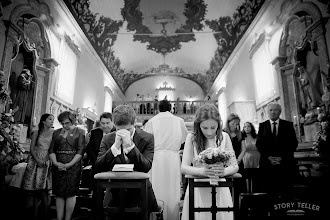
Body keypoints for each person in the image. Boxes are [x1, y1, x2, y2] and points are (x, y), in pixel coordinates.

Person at [95, 105, 158, 219]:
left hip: (140, 193)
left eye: (128, 130)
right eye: (119, 130)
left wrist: (130, 147)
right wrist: (114, 148)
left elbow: (146, 167)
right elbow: (99, 166)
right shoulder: (108, 138)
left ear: (134, 123)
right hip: (114, 192)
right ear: (114, 125)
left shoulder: (147, 138)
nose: (123, 133)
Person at [181, 103, 239, 220]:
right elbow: (184, 167)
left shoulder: (224, 137)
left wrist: (223, 171)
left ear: (219, 124)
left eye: (213, 127)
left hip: (220, 186)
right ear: (198, 125)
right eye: (205, 128)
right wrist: (202, 171)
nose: (209, 132)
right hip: (197, 187)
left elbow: (235, 165)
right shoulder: (192, 138)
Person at [144, 99, 188, 220]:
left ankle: (157, 216)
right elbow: (184, 138)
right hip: (173, 158)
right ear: (171, 108)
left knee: (157, 186)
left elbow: (146, 140)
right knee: (173, 188)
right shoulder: (179, 121)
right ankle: (173, 216)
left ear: (159, 108)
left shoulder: (152, 121)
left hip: (157, 158)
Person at [256, 102, 298, 200]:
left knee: (285, 194)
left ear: (280, 112)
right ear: (268, 112)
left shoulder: (288, 125)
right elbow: (259, 144)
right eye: (270, 110)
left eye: (275, 110)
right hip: (267, 165)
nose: (273, 112)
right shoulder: (263, 126)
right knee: (269, 193)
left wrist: (281, 158)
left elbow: (293, 144)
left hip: (285, 165)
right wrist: (269, 157)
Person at [49, 111, 85, 220]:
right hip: (58, 164)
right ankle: (59, 218)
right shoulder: (56, 133)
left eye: (67, 123)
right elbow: (51, 150)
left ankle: (68, 218)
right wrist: (55, 163)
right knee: (59, 193)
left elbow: (81, 151)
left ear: (72, 121)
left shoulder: (80, 131)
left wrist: (69, 164)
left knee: (70, 192)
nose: (65, 126)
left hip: (73, 165)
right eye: (62, 123)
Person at [22, 113, 54, 220]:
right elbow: (31, 148)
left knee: (45, 191)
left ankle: (45, 215)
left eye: (53, 120)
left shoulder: (54, 133)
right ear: (44, 121)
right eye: (50, 119)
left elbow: (52, 149)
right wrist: (37, 160)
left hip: (47, 161)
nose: (52, 121)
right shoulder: (37, 132)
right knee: (36, 191)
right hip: (35, 161)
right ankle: (34, 215)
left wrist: (45, 160)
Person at [85, 112, 115, 216]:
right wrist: (97, 161)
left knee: (112, 194)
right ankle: (96, 215)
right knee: (97, 194)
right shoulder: (95, 133)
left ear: (112, 122)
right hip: (97, 167)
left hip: (113, 168)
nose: (105, 126)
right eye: (103, 123)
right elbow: (90, 149)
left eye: (108, 123)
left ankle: (110, 214)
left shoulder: (117, 132)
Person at [237, 122, 260, 192]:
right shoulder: (242, 138)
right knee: (247, 177)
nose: (246, 128)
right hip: (246, 159)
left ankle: (255, 194)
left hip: (257, 159)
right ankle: (247, 194)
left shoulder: (257, 137)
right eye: (245, 127)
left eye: (248, 126)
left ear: (251, 127)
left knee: (256, 178)